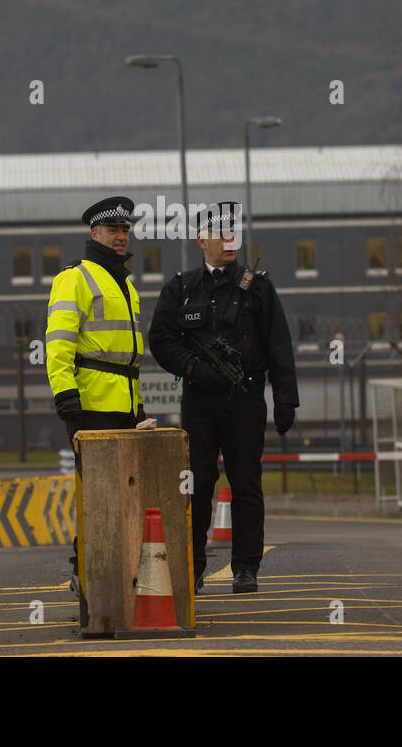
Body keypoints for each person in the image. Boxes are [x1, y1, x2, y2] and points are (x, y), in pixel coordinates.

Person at [148, 201, 298, 595]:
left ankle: (246, 568)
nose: (229, 240)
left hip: (246, 398)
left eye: (234, 233)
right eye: (220, 233)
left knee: (247, 483)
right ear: (202, 241)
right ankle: (193, 568)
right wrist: (195, 369)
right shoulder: (182, 288)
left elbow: (279, 344)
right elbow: (161, 340)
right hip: (200, 402)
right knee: (196, 484)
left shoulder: (258, 286)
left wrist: (286, 399)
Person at [45, 196, 146, 603]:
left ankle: (113, 573)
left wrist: (137, 405)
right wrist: (64, 391)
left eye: (125, 230)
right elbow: (59, 340)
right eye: (112, 230)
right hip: (90, 405)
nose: (120, 236)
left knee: (125, 496)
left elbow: (128, 355)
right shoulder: (76, 278)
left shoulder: (126, 283)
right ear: (94, 234)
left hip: (124, 404)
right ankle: (82, 572)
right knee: (98, 495)